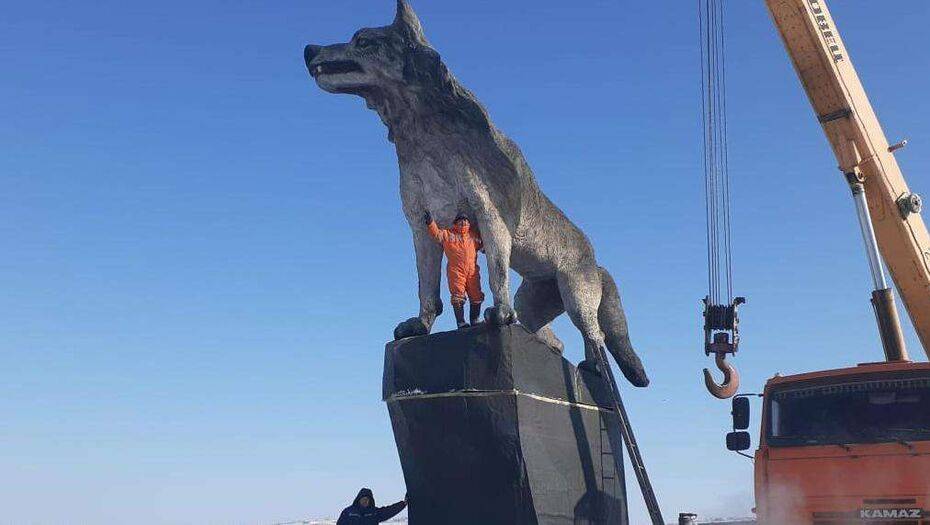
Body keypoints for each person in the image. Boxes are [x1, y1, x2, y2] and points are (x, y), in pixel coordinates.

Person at [424, 211, 485, 328]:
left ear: (469, 223)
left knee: (476, 294)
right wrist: (431, 223)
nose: (463, 222)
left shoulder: (473, 236)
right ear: (455, 223)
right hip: (456, 271)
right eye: (460, 220)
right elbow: (437, 234)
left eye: (465, 220)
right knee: (458, 295)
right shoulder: (449, 234)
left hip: (472, 271)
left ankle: (475, 319)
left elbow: (484, 245)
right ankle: (461, 322)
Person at [336, 488, 407, 525]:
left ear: (370, 501)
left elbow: (390, 510)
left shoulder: (375, 513)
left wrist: (403, 504)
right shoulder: (348, 512)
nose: (365, 501)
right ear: (358, 499)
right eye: (363, 499)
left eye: (367, 499)